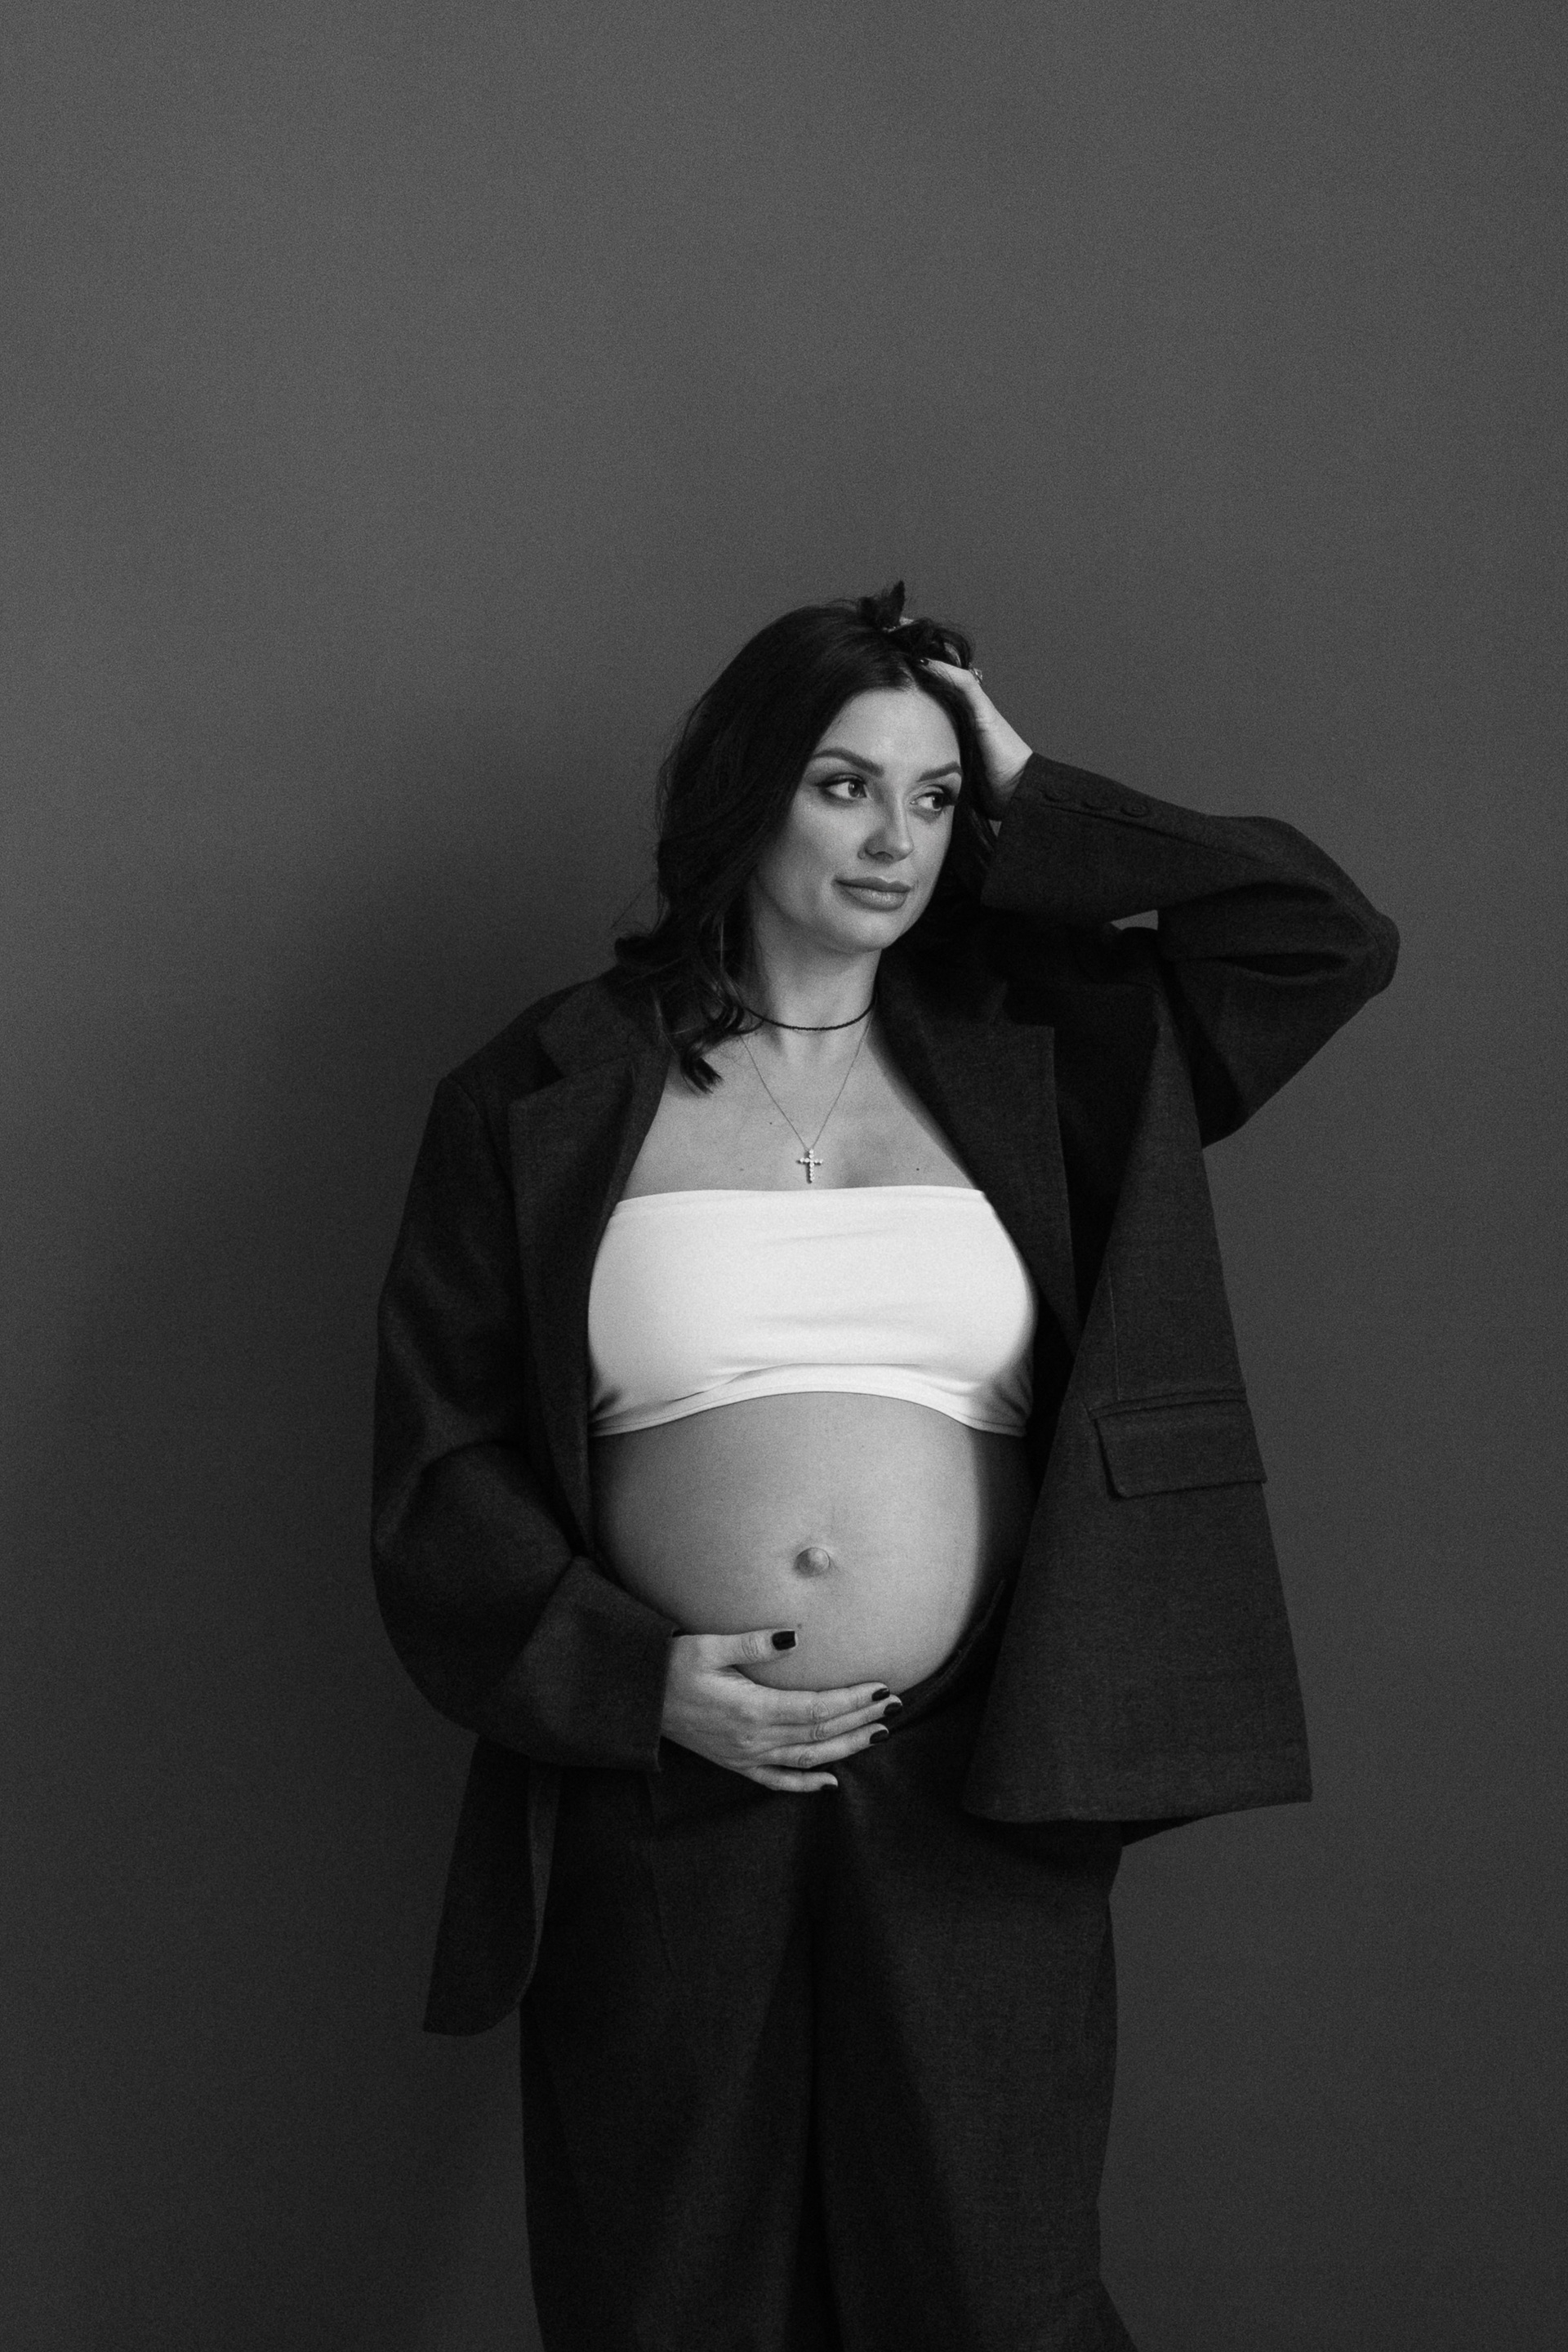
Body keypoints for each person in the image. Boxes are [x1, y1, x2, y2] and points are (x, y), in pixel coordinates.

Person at [372, 584, 1399, 2352]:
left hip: (977, 1783)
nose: (894, 841)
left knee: (992, 2300)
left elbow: (1325, 940)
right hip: (667, 1793)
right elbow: (437, 1454)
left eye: (934, 799)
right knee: (665, 2302)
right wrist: (633, 1684)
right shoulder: (538, 1087)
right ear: (746, 793)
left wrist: (1032, 785)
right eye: (845, 785)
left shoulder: (1058, 1058)